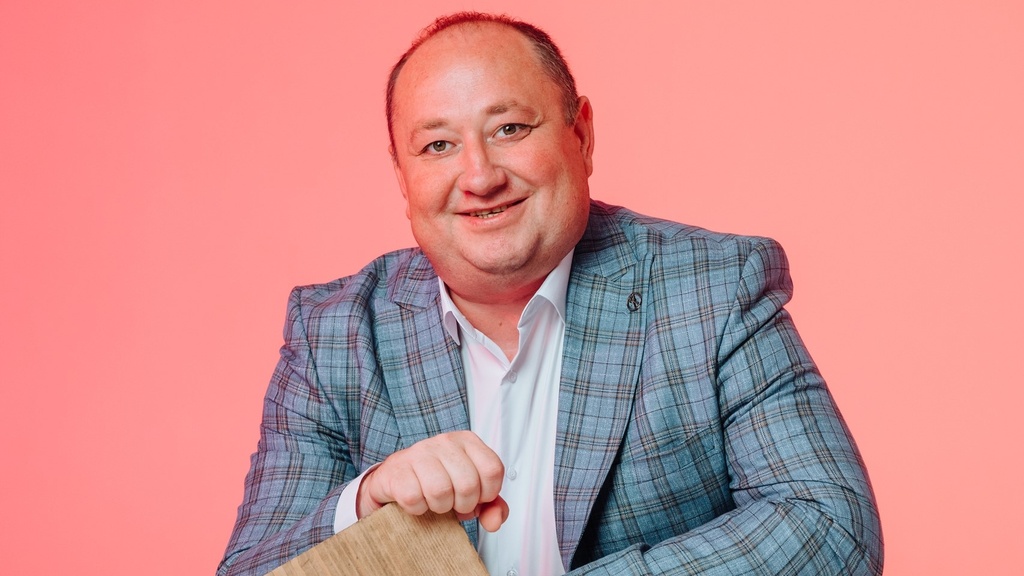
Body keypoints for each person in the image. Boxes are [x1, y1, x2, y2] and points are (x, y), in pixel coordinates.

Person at [219, 12, 883, 576]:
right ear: (402, 176)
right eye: (438, 145)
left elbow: (831, 527)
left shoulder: (712, 287)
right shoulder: (333, 333)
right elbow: (250, 568)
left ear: (582, 135)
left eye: (509, 129)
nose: (478, 176)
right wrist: (366, 503)